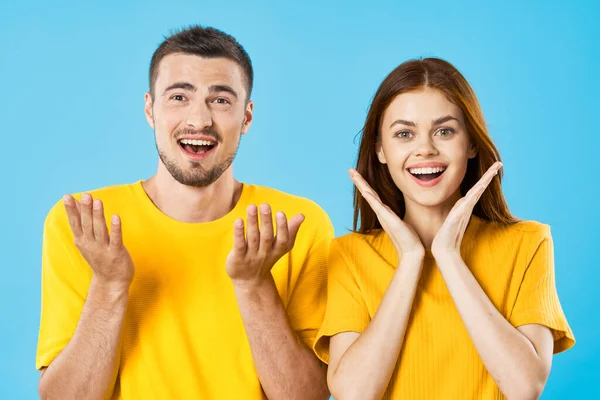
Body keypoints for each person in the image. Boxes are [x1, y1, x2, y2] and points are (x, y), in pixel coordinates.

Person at [36, 25, 332, 400]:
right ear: (150, 109)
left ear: (247, 117)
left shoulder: (294, 225)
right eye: (179, 96)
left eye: (221, 100)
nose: (199, 120)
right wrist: (108, 286)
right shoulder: (83, 223)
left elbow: (308, 397)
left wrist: (255, 286)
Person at [314, 58, 574, 399]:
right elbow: (354, 394)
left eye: (445, 131)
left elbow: (525, 387)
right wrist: (410, 259)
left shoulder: (528, 243)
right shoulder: (348, 255)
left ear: (472, 144)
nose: (425, 149)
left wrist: (448, 256)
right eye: (404, 134)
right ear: (380, 149)